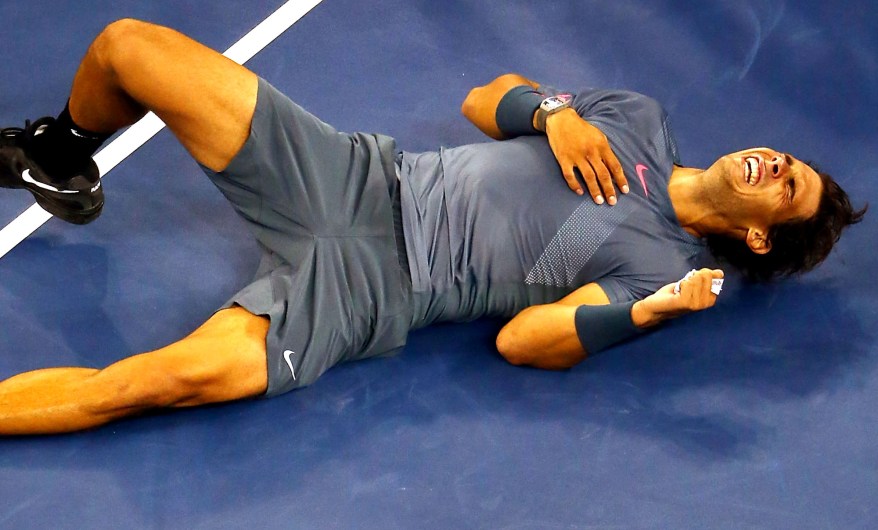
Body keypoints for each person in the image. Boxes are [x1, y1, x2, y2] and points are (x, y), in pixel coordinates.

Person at [0, 19, 864, 435]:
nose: (774, 163)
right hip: (354, 176)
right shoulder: (637, 117)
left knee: (149, 384)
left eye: (786, 187)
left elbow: (526, 342)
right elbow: (482, 100)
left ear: (759, 237)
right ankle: (60, 149)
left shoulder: (659, 270)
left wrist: (654, 311)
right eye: (787, 158)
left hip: (369, 294)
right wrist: (555, 114)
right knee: (126, 48)